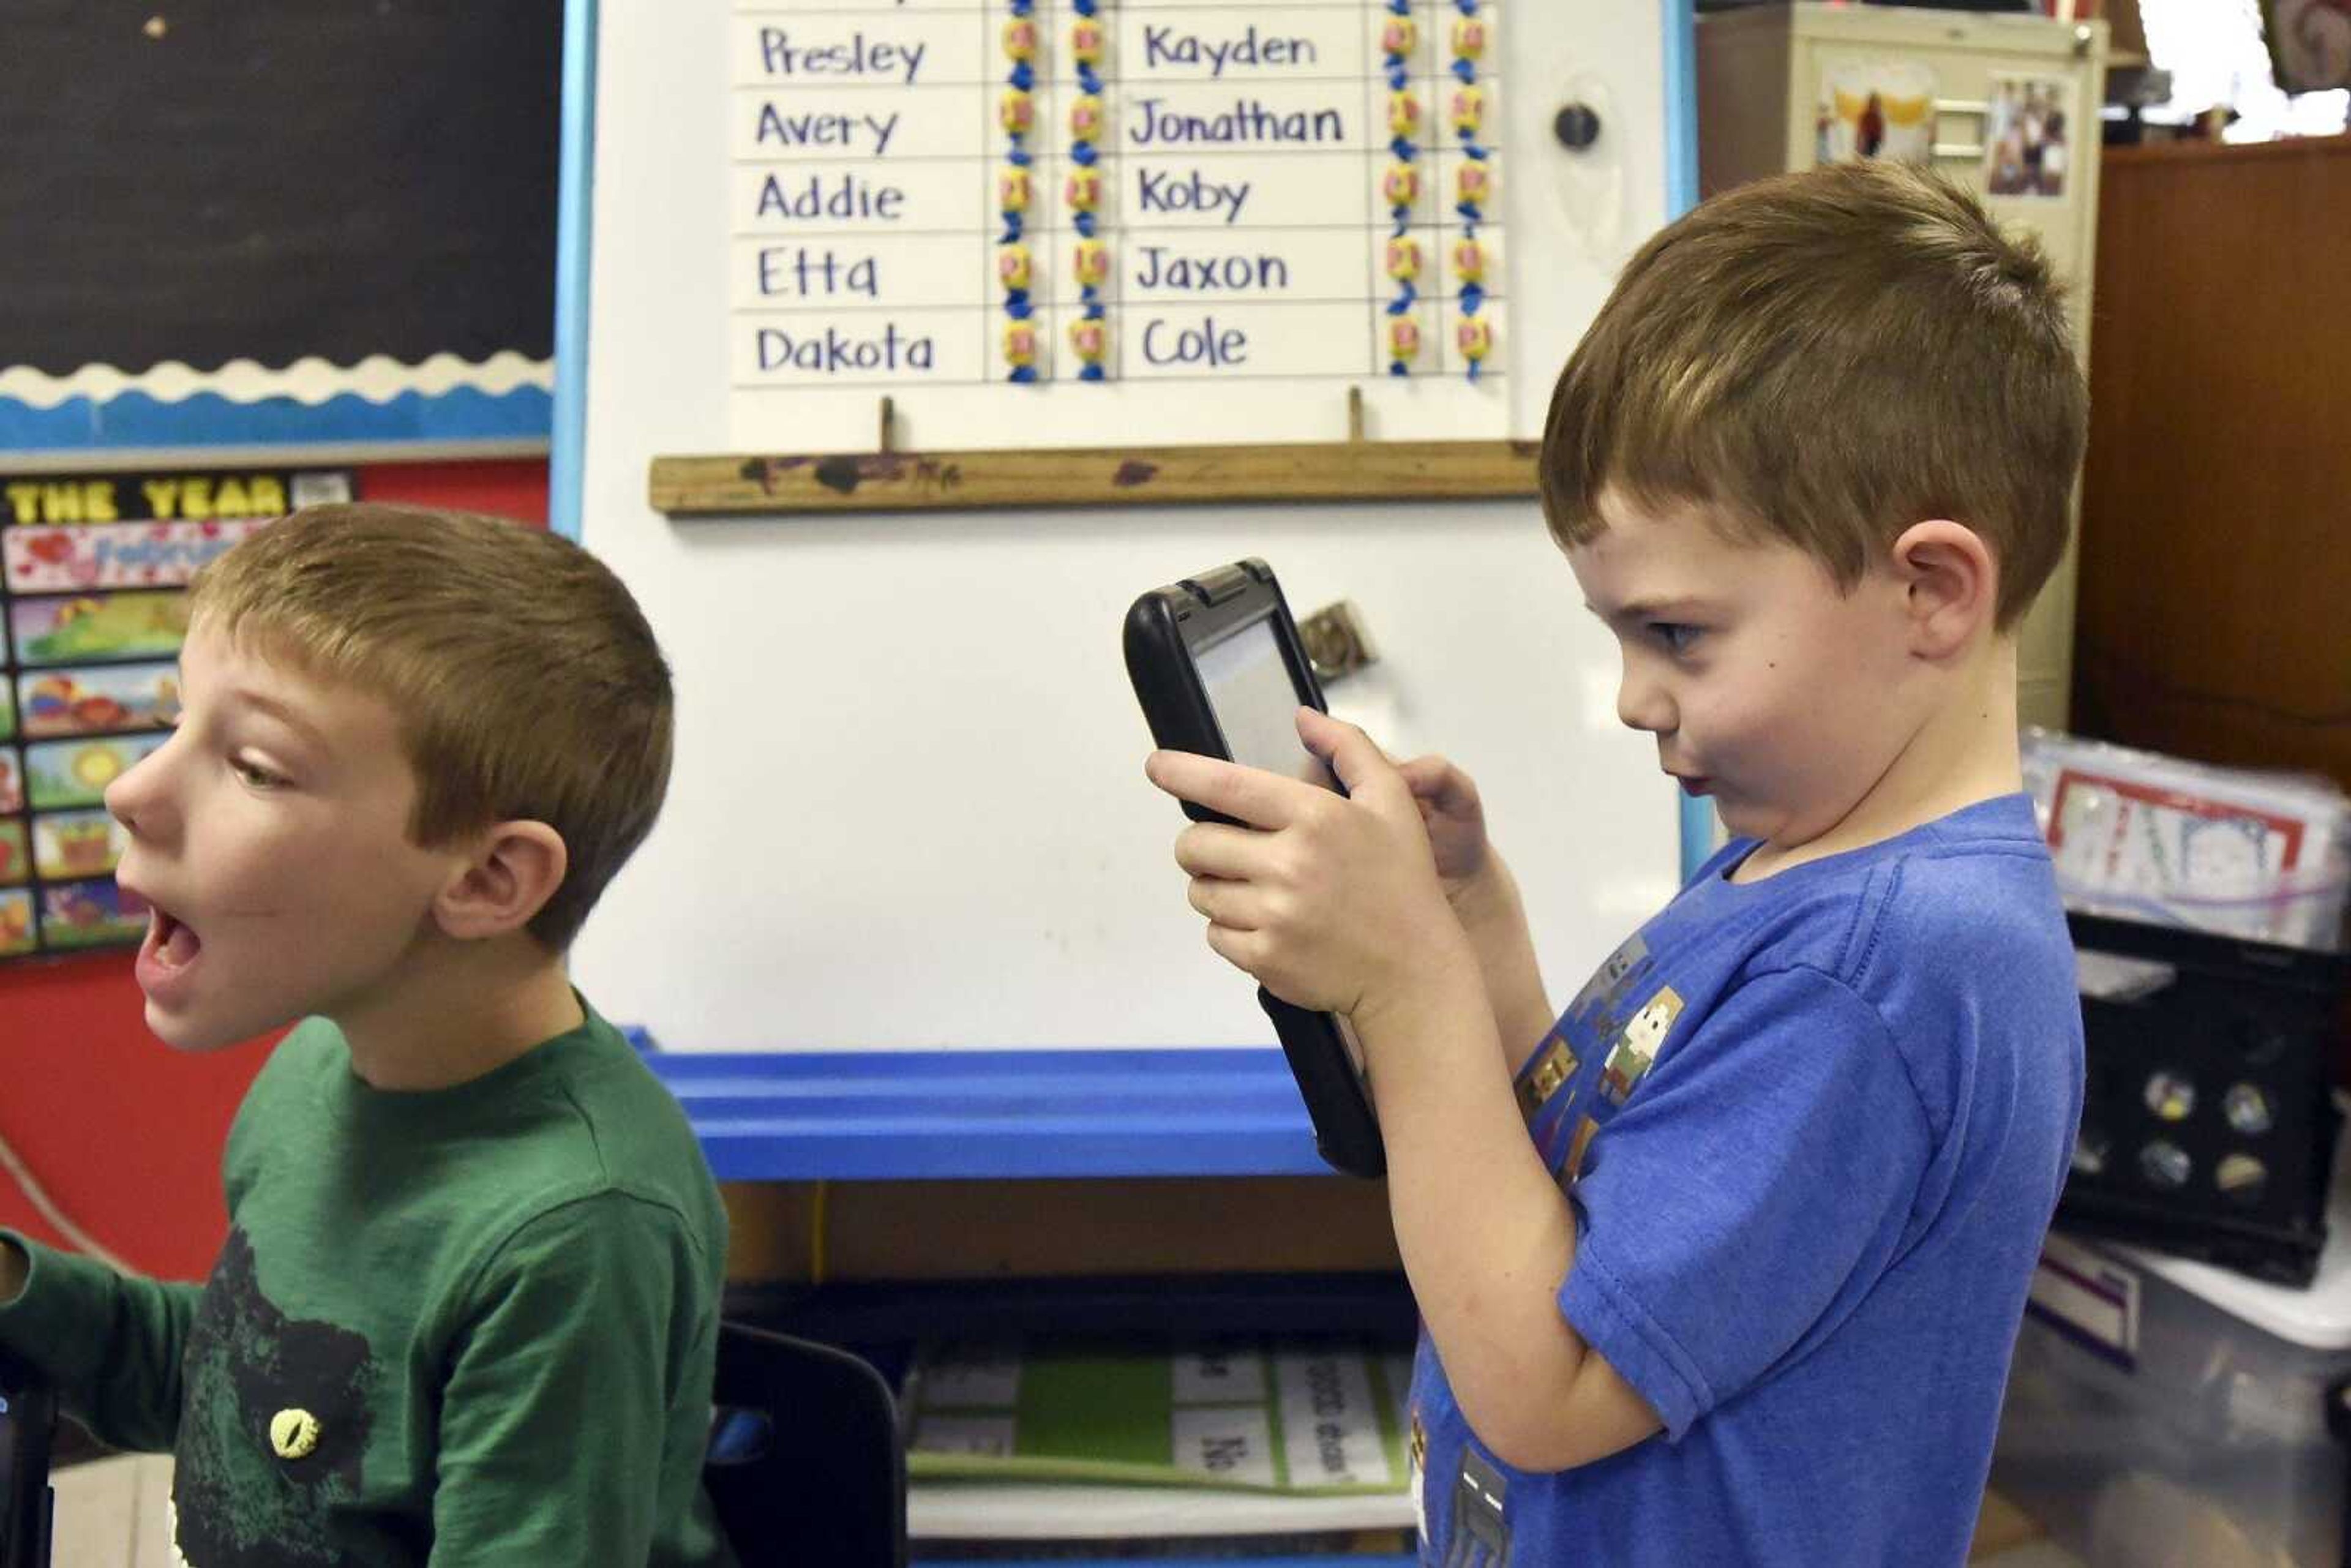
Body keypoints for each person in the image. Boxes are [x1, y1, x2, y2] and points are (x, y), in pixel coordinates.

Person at [1146, 162, 2088, 1564]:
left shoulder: (1878, 971)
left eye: (1679, 636)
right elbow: (1608, 1187)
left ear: (1931, 592)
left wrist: (1407, 995)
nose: (1638, 697)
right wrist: (1475, 927)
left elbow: (1552, 1383)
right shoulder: (1805, 860)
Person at [0, 504, 737, 1566]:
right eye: (175, 721)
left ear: (487, 880)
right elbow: (255, 1397)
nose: (129, 790)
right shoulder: (325, 1068)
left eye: (253, 764)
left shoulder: (574, 1231)